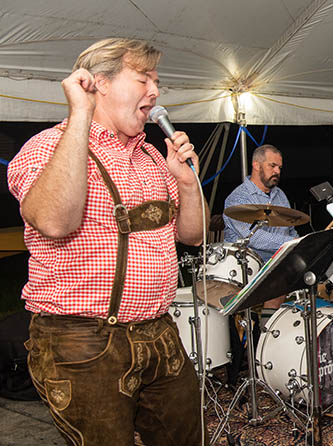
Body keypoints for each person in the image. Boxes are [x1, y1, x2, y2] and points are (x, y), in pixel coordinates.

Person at [7, 38, 208, 445]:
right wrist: (79, 115)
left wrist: (188, 184)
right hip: (83, 340)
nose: (155, 91)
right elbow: (53, 221)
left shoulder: (153, 156)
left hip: (159, 331)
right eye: (143, 79)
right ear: (99, 82)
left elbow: (193, 235)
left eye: (157, 81)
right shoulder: (46, 147)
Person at [223, 144, 298, 327]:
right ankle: (267, 339)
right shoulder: (238, 199)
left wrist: (301, 244)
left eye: (279, 167)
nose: (277, 171)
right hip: (245, 269)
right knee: (280, 280)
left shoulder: (280, 195)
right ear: (256, 165)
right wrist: (291, 243)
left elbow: (291, 229)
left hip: (275, 262)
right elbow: (256, 238)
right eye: (272, 166)